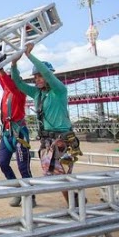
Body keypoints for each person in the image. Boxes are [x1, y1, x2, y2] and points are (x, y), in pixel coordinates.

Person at [11, 43, 82, 206]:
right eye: (35, 78)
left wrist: (30, 56)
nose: (37, 79)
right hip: (47, 141)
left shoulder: (59, 91)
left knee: (59, 173)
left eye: (39, 76)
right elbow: (18, 83)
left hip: (62, 139)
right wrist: (14, 65)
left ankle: (74, 201)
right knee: (56, 174)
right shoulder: (37, 93)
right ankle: (74, 200)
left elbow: (48, 75)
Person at [0, 55, 35, 207]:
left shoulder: (19, 92)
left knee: (23, 167)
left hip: (19, 134)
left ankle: (30, 195)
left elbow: (7, 82)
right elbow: (0, 77)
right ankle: (17, 190)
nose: (7, 80)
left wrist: (2, 70)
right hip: (6, 133)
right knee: (3, 163)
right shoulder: (6, 91)